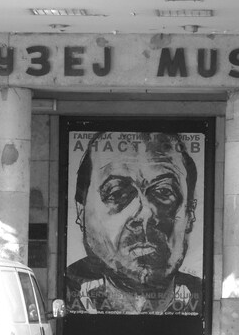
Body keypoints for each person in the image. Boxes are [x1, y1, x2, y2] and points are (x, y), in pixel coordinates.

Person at [65, 131, 202, 315]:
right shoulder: (65, 292)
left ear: (190, 213)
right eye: (117, 193)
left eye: (164, 192)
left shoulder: (202, 298)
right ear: (81, 213)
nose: (145, 214)